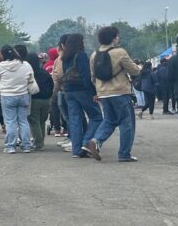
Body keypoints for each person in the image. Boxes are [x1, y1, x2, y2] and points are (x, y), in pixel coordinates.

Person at [84, 25, 142, 162]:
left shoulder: (94, 55)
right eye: (117, 36)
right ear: (113, 38)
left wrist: (99, 90)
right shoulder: (119, 52)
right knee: (126, 123)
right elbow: (134, 70)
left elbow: (93, 77)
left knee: (109, 120)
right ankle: (124, 154)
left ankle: (96, 140)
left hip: (103, 94)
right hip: (120, 92)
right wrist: (140, 68)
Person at [54, 33, 103, 159]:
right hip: (82, 90)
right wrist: (94, 92)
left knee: (75, 120)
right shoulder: (81, 55)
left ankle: (76, 151)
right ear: (79, 43)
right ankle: (85, 143)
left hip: (68, 91)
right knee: (97, 117)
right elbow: (86, 76)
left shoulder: (65, 57)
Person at [0, 46, 38, 154]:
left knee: (10, 122)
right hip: (23, 95)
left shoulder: (2, 66)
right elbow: (30, 76)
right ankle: (26, 146)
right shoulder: (25, 64)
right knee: (23, 121)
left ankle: (10, 146)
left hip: (7, 95)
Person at [25, 54, 54, 150]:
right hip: (46, 100)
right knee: (42, 121)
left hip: (34, 99)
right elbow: (52, 85)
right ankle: (41, 140)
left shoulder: (30, 73)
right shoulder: (44, 72)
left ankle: (38, 142)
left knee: (34, 121)